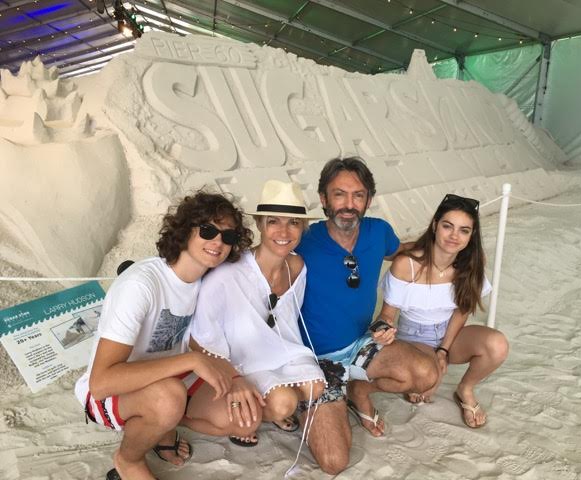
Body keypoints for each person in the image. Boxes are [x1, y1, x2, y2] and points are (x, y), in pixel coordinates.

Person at [74, 191, 260, 480]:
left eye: (229, 237)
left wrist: (233, 377)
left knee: (243, 420)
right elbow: (101, 383)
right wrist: (191, 361)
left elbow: (201, 340)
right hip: (113, 391)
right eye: (208, 230)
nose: (218, 242)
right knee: (169, 398)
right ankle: (128, 460)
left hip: (172, 380)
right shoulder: (141, 285)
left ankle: (164, 425)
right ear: (185, 230)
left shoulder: (205, 281)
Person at [295, 157, 439, 474]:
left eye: (358, 195)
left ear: (368, 200)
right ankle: (312, 396)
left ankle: (359, 390)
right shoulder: (302, 240)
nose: (349, 204)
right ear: (323, 199)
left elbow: (399, 250)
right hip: (315, 361)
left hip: (360, 345)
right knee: (334, 462)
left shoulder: (378, 232)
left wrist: (443, 244)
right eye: (339, 194)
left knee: (426, 376)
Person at [188, 180, 325, 447]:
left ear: (302, 228)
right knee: (284, 403)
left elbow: (285, 317)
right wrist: (232, 376)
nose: (284, 231)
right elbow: (200, 338)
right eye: (274, 221)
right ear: (260, 225)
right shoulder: (228, 273)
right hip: (239, 358)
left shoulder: (297, 266)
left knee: (315, 388)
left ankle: (261, 408)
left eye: (294, 223)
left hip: (280, 349)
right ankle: (254, 413)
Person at [379, 193, 509, 428]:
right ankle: (421, 371)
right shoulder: (407, 264)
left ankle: (465, 389)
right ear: (435, 225)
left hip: (449, 333)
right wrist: (384, 330)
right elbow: (388, 314)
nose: (454, 236)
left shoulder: (471, 266)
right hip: (412, 336)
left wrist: (443, 350)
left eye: (464, 230)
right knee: (426, 385)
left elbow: (462, 312)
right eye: (448, 226)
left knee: (497, 345)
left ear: (471, 236)